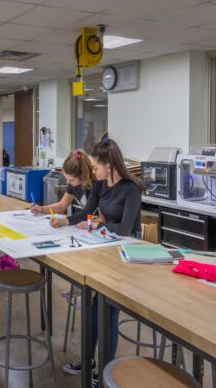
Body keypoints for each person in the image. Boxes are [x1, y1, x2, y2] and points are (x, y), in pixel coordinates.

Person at [52, 135, 145, 385]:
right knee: (94, 309)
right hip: (104, 248)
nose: (92, 171)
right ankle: (89, 359)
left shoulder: (132, 188)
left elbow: (125, 229)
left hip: (125, 255)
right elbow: (85, 212)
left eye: (95, 167)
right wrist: (64, 221)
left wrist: (100, 223)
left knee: (109, 312)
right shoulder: (101, 184)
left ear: (109, 167)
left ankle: (105, 371)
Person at [29, 149, 94, 216]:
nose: (68, 182)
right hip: (78, 224)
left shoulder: (96, 185)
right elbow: (61, 206)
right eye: (66, 178)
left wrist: (66, 221)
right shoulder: (73, 185)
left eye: (71, 180)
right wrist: (41, 209)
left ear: (83, 176)